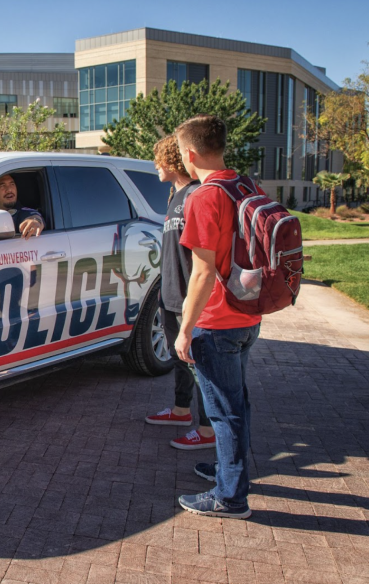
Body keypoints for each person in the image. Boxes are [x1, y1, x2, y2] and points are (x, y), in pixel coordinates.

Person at [174, 114, 262, 519]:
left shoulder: (205, 196)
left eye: (180, 154)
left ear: (190, 154)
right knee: (236, 404)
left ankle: (230, 497)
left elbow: (202, 271)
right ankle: (230, 472)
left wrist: (185, 329)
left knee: (223, 412)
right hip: (248, 313)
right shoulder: (243, 184)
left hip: (218, 321)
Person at [144, 135, 215, 451]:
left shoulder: (197, 195)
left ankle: (207, 428)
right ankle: (180, 411)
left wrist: (192, 299)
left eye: (157, 159)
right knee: (180, 360)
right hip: (170, 295)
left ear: (171, 160)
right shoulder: (176, 195)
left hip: (191, 297)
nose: (155, 165)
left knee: (200, 367)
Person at [0, 174, 44, 240]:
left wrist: (36, 221)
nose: (9, 190)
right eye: (2, 186)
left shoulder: (24, 212)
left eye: (12, 184)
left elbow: (34, 217)